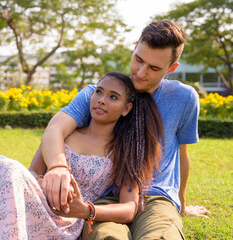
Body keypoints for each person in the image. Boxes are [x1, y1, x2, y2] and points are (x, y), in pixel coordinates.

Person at [0, 72, 164, 239]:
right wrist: (44, 182)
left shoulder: (124, 150)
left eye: (113, 97)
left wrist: (86, 210)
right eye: (99, 92)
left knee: (8, 169)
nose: (101, 100)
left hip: (65, 220)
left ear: (126, 108)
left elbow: (129, 209)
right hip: (32, 201)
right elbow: (32, 172)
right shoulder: (64, 135)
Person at [38, 20, 209, 240]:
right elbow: (54, 129)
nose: (141, 72)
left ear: (171, 68)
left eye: (154, 68)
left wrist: (182, 206)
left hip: (156, 197)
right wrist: (57, 167)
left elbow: (182, 156)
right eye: (138, 59)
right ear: (136, 46)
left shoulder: (184, 98)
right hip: (106, 198)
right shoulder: (97, 95)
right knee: (106, 237)